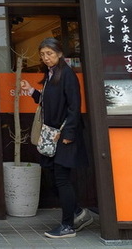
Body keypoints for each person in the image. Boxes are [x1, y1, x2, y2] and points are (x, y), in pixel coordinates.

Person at [21, 37, 93, 239]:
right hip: (51, 135)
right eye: (43, 54)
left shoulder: (67, 75)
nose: (46, 58)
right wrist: (32, 91)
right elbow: (47, 102)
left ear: (60, 53)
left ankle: (68, 226)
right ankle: (78, 213)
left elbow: (74, 106)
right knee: (52, 178)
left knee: (61, 179)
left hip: (63, 136)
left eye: (50, 53)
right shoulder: (51, 74)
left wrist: (68, 134)